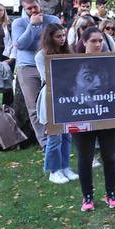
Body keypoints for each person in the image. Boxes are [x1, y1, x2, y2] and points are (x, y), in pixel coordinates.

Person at [73, 27, 115, 211]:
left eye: (100, 41)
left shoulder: (111, 62)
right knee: (85, 158)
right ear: (84, 41)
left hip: (107, 115)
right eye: (93, 41)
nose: (98, 44)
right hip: (80, 115)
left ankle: (111, 194)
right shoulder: (72, 62)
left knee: (109, 156)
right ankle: (87, 197)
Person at [12, 0, 61, 148]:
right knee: (34, 107)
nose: (33, 11)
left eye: (35, 7)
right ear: (24, 10)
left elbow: (58, 40)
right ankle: (45, 143)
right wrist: (32, 26)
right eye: (29, 9)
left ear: (40, 5)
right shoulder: (18, 23)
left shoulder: (52, 19)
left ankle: (58, 135)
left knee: (55, 103)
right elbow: (20, 45)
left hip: (49, 65)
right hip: (28, 68)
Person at [36, 24, 77, 184]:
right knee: (55, 135)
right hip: (51, 97)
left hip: (68, 96)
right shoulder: (41, 56)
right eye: (58, 36)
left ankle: (65, 166)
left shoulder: (68, 52)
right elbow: (47, 78)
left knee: (67, 135)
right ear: (49, 38)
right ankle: (54, 170)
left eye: (63, 36)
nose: (62, 39)